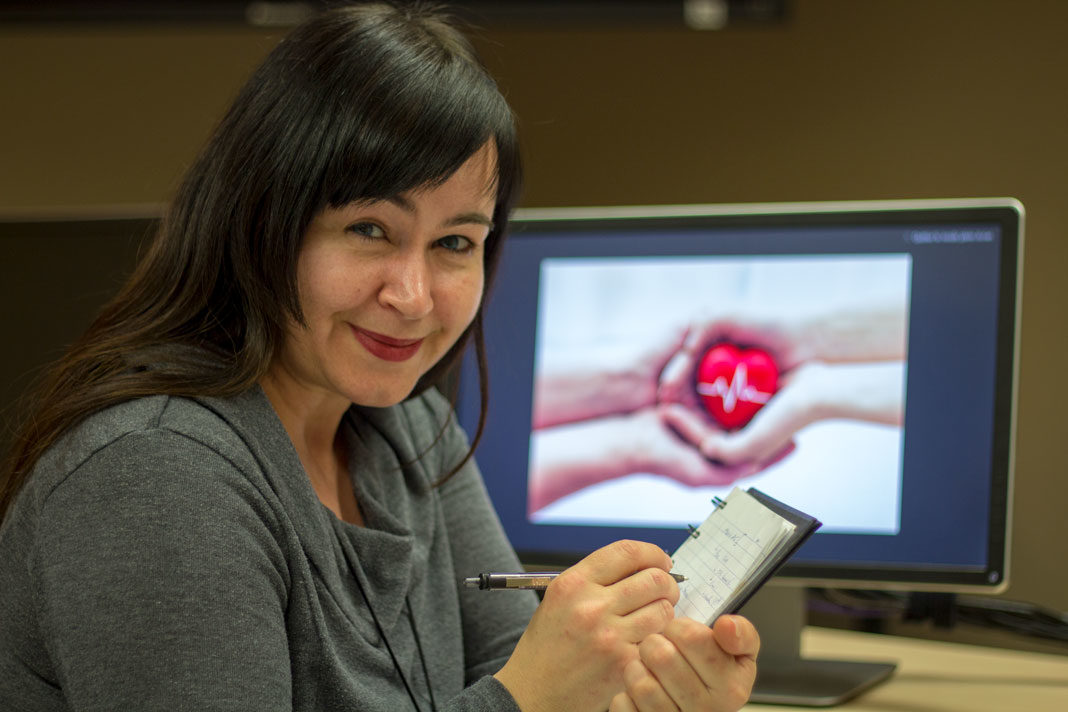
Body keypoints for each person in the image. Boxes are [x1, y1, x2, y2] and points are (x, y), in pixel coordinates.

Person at [0, 3, 758, 711]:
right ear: (260, 220)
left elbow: (507, 660)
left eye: (455, 243)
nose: (415, 295)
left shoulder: (406, 426)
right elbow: (518, 689)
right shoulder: (153, 476)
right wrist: (525, 699)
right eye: (369, 229)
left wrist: (632, 694)